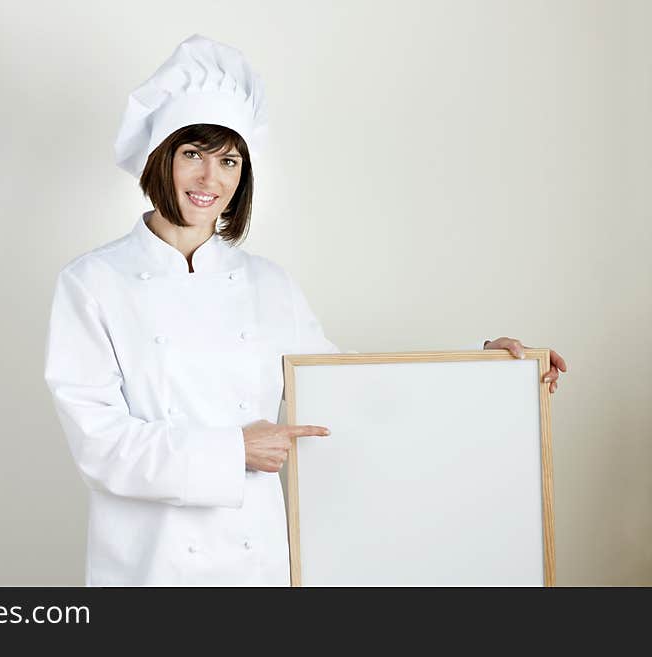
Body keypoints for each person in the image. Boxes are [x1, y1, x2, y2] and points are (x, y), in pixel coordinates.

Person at [43, 34, 567, 586]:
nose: (210, 179)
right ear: (159, 159)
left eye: (229, 160)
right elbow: (99, 443)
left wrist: (488, 375)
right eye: (192, 154)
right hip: (150, 567)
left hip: (259, 564)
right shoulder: (93, 283)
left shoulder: (270, 285)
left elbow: (350, 397)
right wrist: (232, 450)